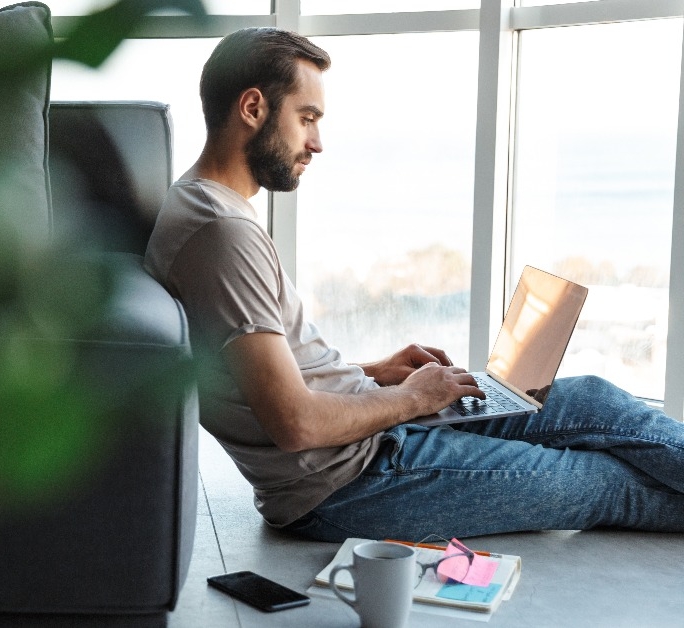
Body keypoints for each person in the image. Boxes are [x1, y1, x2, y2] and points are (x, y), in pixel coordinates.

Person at [143, 27, 684, 541]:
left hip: (369, 435)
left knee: (587, 400)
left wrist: (374, 373)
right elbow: (294, 423)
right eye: (306, 118)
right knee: (602, 481)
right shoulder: (222, 233)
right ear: (253, 107)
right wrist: (407, 399)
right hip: (350, 483)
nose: (317, 142)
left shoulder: (202, 206)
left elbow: (266, 375)